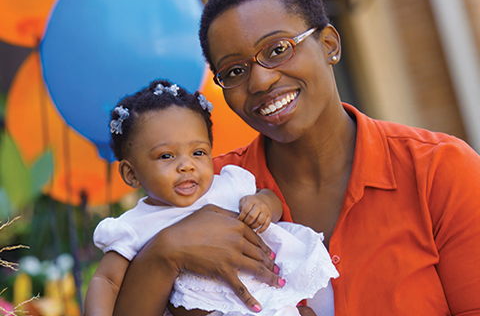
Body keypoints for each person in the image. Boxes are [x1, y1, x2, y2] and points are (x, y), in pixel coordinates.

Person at [112, 0, 480, 316]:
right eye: (235, 71)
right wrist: (165, 252)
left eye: (277, 49)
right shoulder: (204, 188)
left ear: (330, 45)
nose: (260, 81)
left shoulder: (438, 170)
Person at [84, 79, 339, 316]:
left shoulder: (228, 185)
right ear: (131, 174)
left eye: (198, 152)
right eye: (166, 156)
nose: (187, 166)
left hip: (265, 293)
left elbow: (272, 203)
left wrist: (263, 205)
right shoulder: (134, 225)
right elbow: (106, 280)